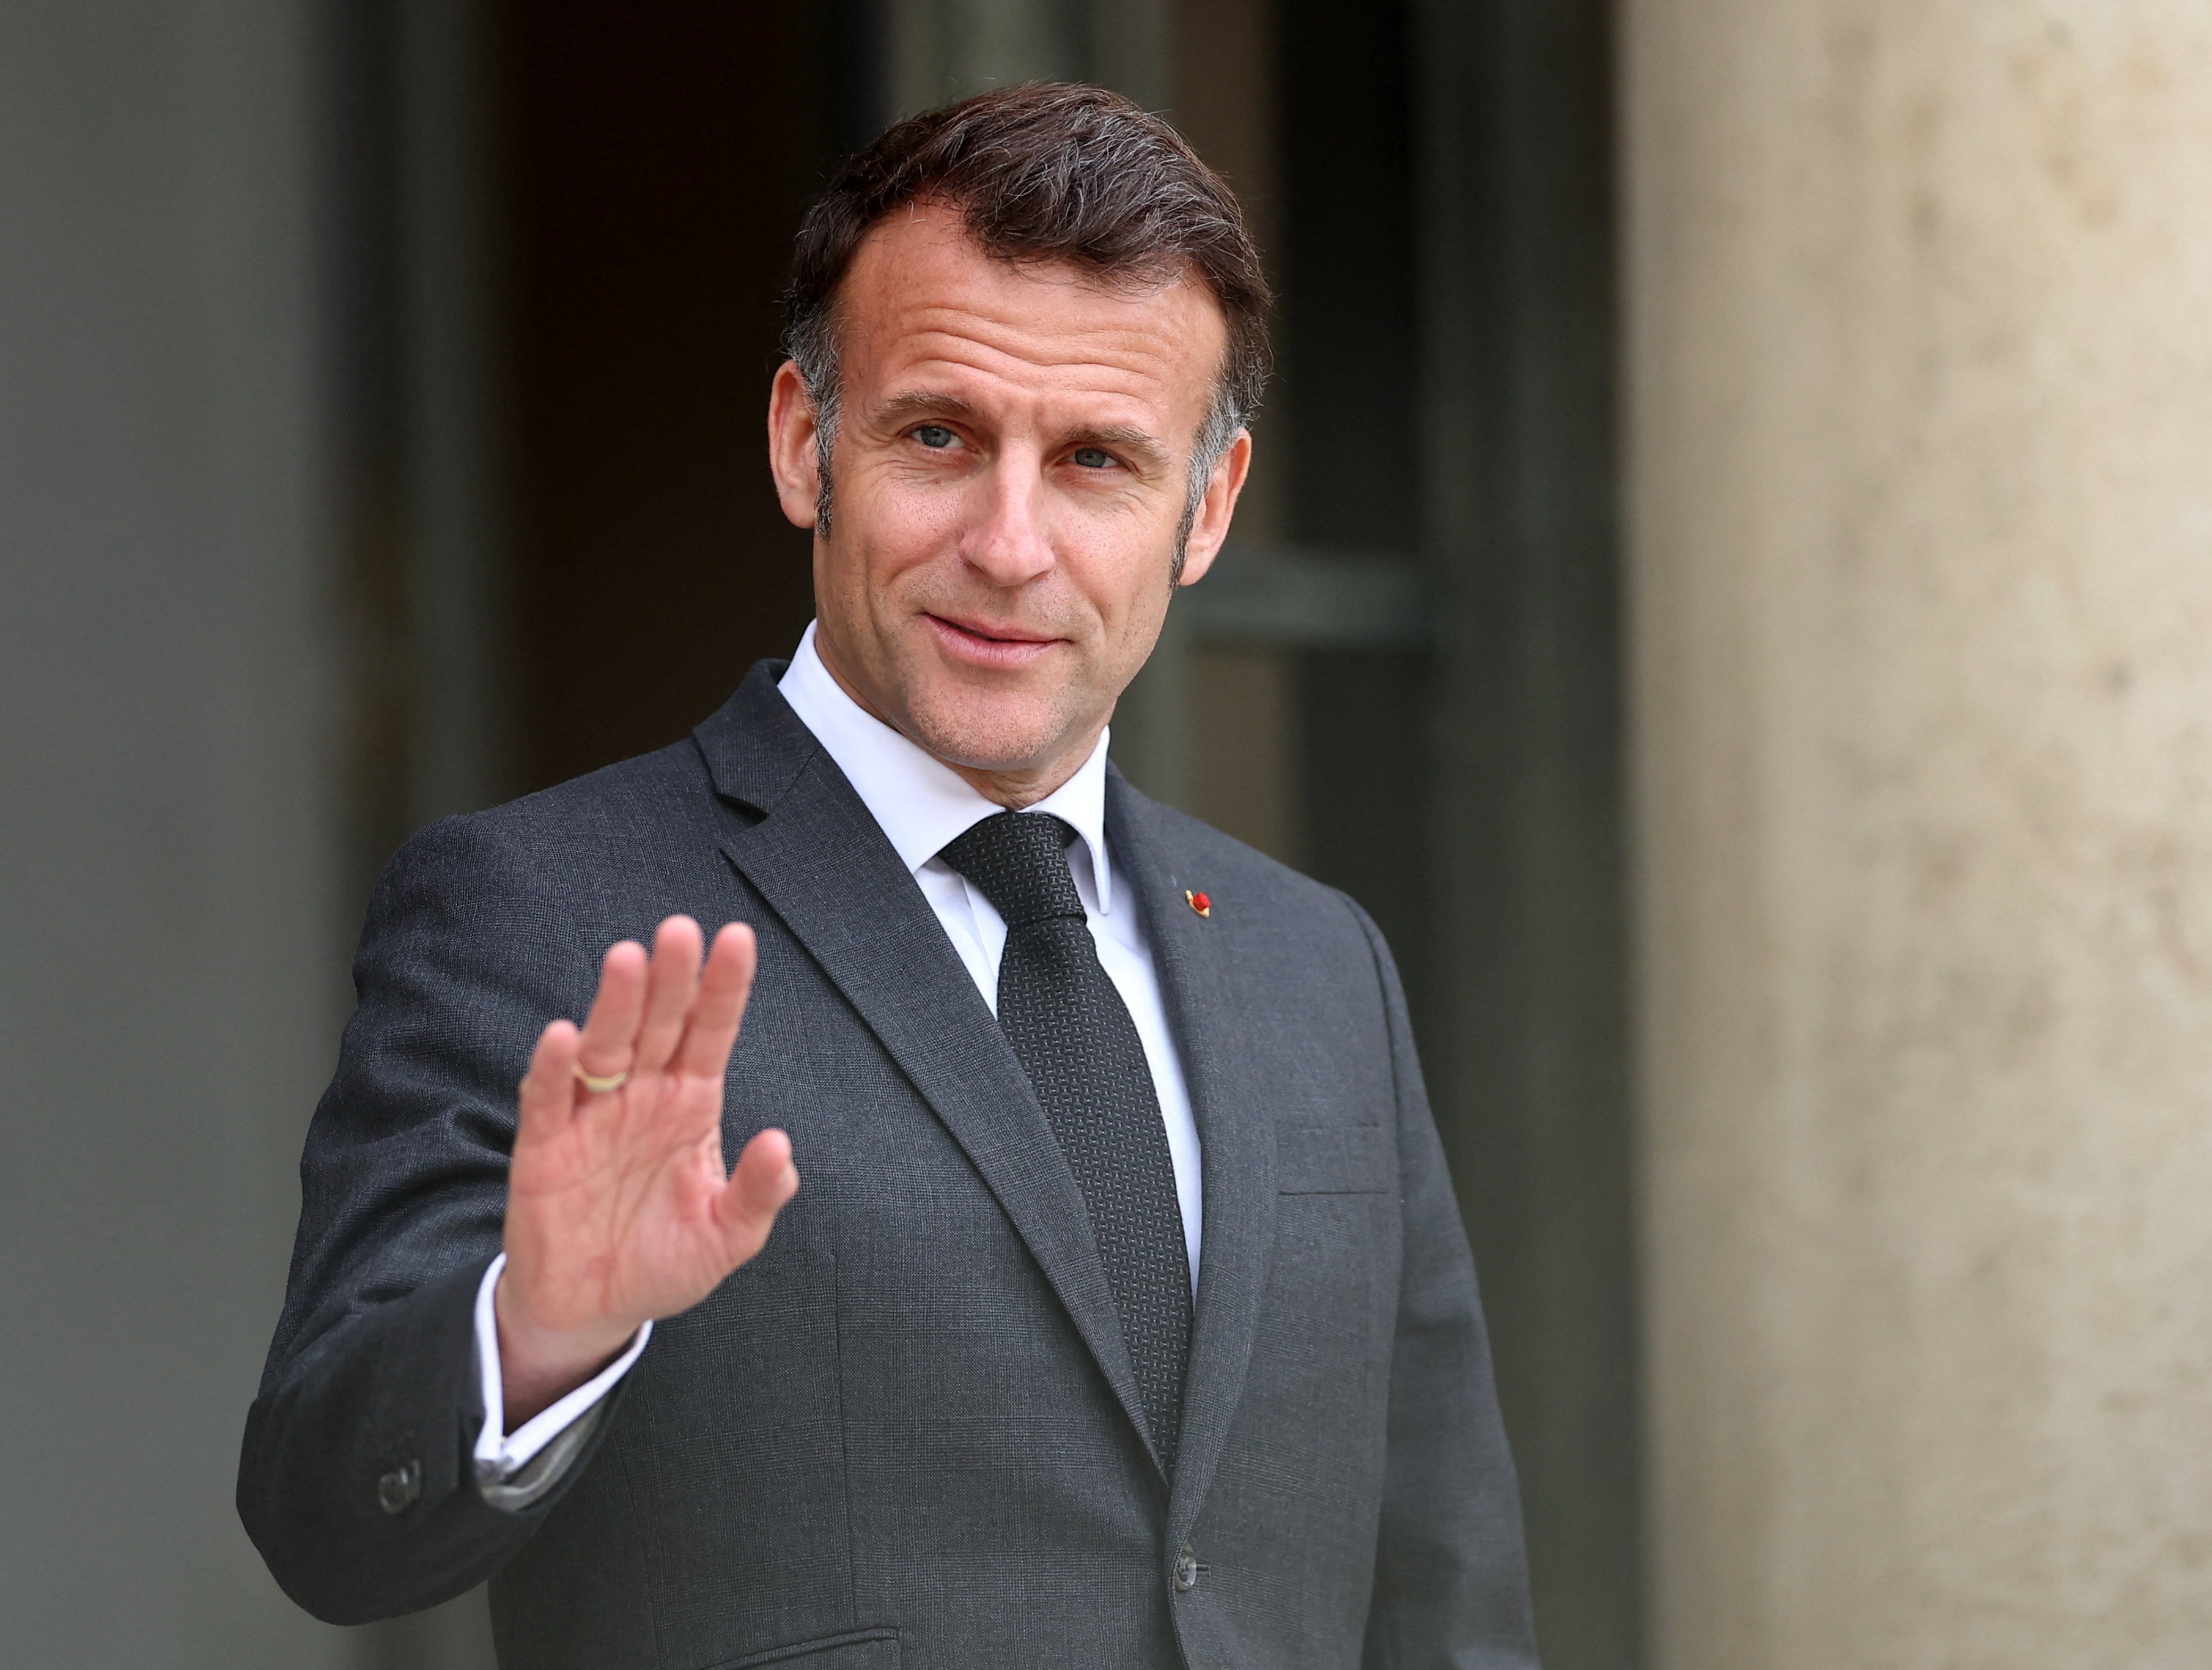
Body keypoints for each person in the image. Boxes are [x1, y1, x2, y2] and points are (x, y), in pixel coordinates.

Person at [238, 82, 1536, 1669]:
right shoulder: (540, 911)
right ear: (806, 443)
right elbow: (321, 1510)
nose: (1009, 540)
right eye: (940, 434)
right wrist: (533, 1329)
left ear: (1206, 511)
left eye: (1096, 462)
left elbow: (1447, 1580)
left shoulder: (1319, 962)